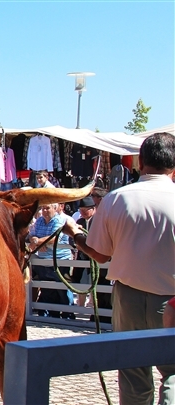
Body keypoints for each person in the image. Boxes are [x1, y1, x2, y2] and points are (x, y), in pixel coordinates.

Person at [64, 132, 175, 405]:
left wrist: (76, 234)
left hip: (129, 298)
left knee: (133, 371)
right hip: (172, 300)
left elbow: (100, 255)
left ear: (141, 162)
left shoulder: (116, 199)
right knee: (173, 372)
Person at [27, 202, 73, 319]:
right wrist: (36, 240)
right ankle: (53, 313)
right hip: (43, 259)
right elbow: (32, 234)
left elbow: (55, 237)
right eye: (43, 208)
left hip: (59, 260)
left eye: (47, 208)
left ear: (55, 208)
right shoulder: (39, 221)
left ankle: (68, 313)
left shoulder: (59, 220)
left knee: (62, 288)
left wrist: (38, 241)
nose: (45, 211)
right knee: (47, 288)